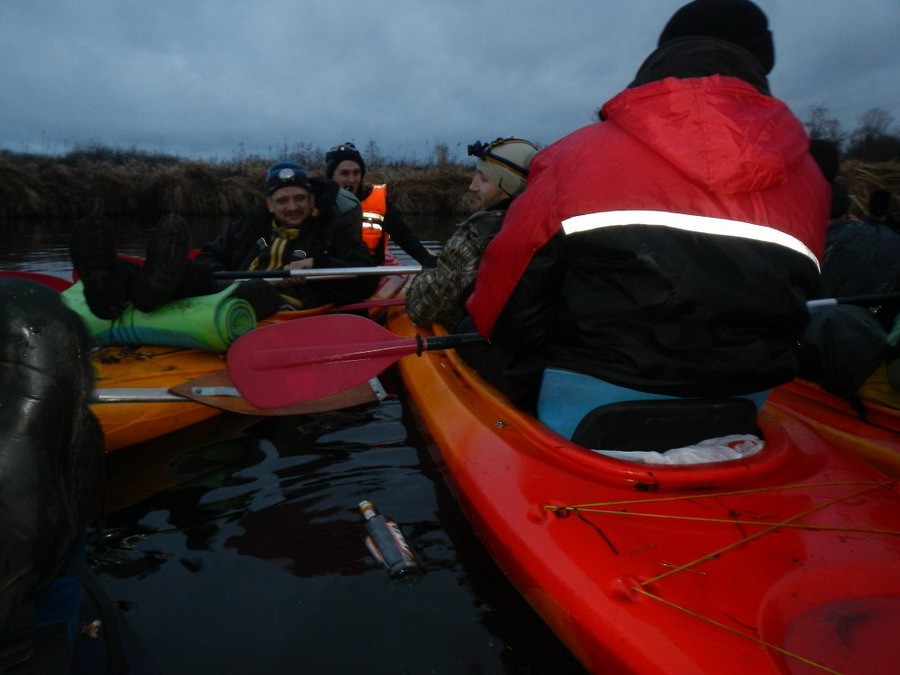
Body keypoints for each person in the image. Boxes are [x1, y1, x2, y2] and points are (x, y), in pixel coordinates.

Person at [466, 0, 829, 447]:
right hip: (738, 410)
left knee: (472, 337)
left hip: (585, 408)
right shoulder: (813, 180)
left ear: (660, 59)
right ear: (761, 65)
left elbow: (503, 318)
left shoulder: (573, 157)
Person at [70, 160, 378, 322]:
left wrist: (318, 265)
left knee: (250, 289)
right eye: (283, 200)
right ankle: (115, 286)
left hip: (285, 301)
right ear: (270, 204)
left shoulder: (332, 228)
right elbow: (211, 255)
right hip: (230, 286)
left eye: (299, 198)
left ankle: (157, 293)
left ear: (311, 200)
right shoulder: (251, 225)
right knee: (191, 273)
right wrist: (206, 274)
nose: (292, 206)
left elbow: (365, 276)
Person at [406, 136, 538, 330]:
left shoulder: (474, 238)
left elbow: (419, 311)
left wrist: (430, 268)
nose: (473, 186)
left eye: (483, 179)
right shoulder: (545, 230)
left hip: (474, 339)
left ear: (508, 187)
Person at [325, 142, 436, 267]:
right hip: (331, 272)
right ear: (331, 177)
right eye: (344, 173)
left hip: (371, 273)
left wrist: (424, 257)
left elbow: (402, 235)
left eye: (356, 173)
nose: (352, 180)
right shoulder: (317, 203)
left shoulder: (378, 202)